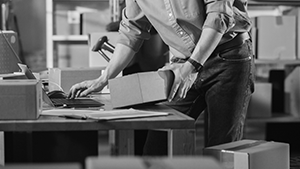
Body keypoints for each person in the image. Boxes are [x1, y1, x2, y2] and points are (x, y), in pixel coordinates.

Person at [68, 0, 255, 156]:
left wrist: (192, 66)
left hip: (228, 58)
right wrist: (103, 79)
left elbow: (218, 16)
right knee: (157, 147)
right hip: (181, 64)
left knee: (222, 150)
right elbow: (132, 30)